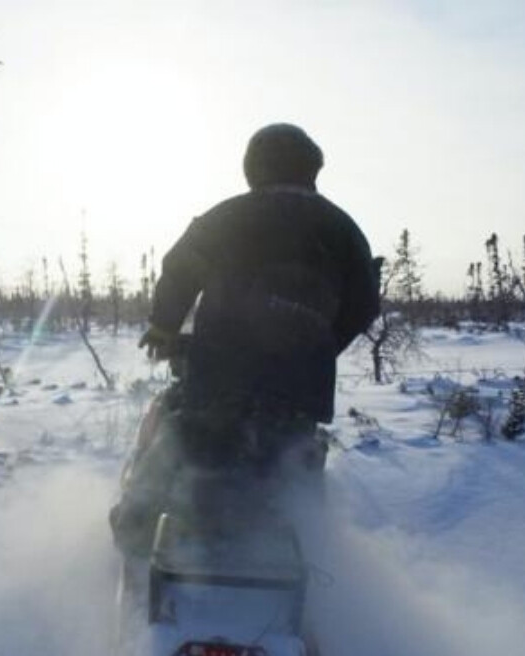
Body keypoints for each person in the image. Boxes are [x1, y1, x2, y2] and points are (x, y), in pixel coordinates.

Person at [112, 123, 380, 551]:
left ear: (253, 167)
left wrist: (164, 325)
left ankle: (137, 525)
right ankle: (310, 537)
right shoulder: (343, 228)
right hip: (301, 390)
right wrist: (322, 345)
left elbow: (180, 267)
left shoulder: (231, 215)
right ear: (311, 170)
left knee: (181, 431)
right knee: (295, 451)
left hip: (221, 373)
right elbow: (364, 304)